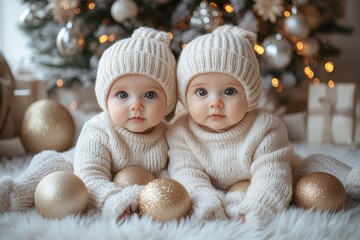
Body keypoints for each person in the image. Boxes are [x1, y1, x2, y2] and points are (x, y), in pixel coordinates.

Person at [166, 25, 360, 229]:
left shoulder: (265, 126)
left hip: (285, 172)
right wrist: (205, 199)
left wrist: (259, 205)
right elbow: (186, 172)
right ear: (184, 96)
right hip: (233, 187)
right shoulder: (180, 132)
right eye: (202, 92)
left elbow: (272, 174)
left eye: (230, 91)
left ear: (249, 95)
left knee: (313, 165)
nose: (215, 102)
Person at [0, 27, 177, 220]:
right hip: (74, 168)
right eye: (122, 95)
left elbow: (165, 173)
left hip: (125, 181)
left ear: (168, 99)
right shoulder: (99, 130)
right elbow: (90, 175)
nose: (136, 106)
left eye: (150, 95)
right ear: (105, 97)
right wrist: (111, 198)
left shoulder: (167, 134)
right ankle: (11, 193)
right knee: (52, 165)